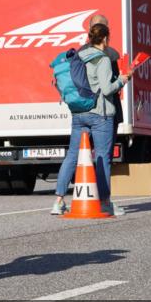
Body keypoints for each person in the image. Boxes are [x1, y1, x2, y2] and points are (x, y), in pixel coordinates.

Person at [50, 21, 129, 216]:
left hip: (78, 114)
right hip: (100, 115)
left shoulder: (78, 56)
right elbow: (108, 88)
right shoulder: (101, 59)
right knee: (103, 157)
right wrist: (123, 80)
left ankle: (58, 201)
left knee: (72, 156)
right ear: (105, 39)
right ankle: (105, 203)